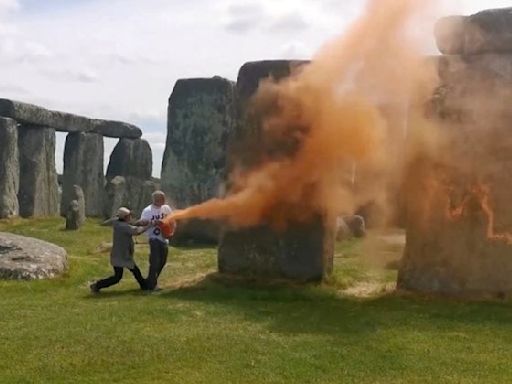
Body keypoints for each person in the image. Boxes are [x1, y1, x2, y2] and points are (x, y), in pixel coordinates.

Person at [90, 207, 150, 293]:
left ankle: (144, 285)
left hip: (118, 254)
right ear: (125, 217)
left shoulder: (117, 222)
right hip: (122, 255)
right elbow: (137, 231)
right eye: (129, 216)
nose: (130, 217)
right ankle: (97, 285)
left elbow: (130, 224)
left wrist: (139, 223)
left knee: (128, 273)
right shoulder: (123, 226)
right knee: (121, 276)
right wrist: (150, 225)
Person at [139, 191, 176, 291]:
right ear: (155, 199)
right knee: (155, 261)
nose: (164, 200)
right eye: (161, 198)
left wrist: (171, 232)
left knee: (162, 261)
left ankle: (151, 281)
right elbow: (142, 223)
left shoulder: (166, 208)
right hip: (154, 238)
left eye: (164, 198)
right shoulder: (147, 210)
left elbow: (172, 221)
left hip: (164, 239)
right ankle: (152, 285)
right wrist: (153, 222)